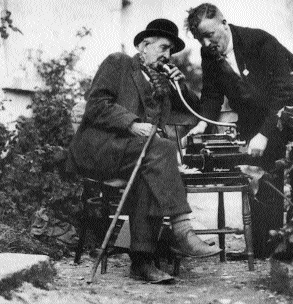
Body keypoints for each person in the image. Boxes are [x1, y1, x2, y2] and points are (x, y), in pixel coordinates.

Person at [66, 18, 221, 284]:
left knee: (150, 172)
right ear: (144, 45)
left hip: (137, 155)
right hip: (102, 148)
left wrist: (179, 85)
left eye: (171, 50)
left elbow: (192, 112)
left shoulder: (162, 81)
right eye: (163, 47)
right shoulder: (119, 63)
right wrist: (132, 123)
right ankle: (182, 231)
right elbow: (97, 105)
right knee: (161, 149)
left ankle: (142, 262)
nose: (167, 55)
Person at [185, 3, 293, 258]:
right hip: (256, 117)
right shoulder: (209, 54)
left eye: (209, 34)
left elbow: (285, 92)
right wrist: (202, 123)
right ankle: (265, 249)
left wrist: (265, 134)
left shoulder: (259, 42)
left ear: (224, 22)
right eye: (201, 38)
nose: (207, 42)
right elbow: (212, 94)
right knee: (259, 175)